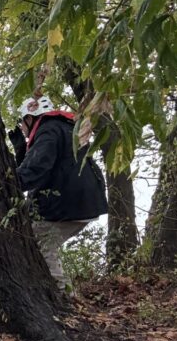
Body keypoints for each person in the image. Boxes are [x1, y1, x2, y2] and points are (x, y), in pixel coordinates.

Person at [10, 96, 108, 290]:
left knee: (40, 244)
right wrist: (21, 150)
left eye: (22, 122)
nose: (22, 128)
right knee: (42, 242)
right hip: (84, 201)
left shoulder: (48, 130)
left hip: (68, 203)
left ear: (30, 118)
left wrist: (8, 186)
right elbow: (52, 163)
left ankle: (63, 297)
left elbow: (37, 167)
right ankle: (59, 294)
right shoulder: (64, 127)